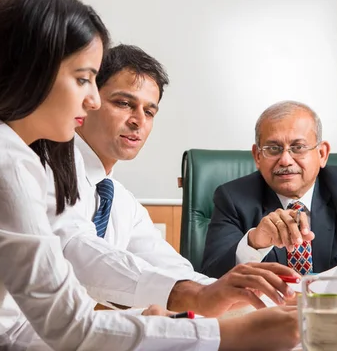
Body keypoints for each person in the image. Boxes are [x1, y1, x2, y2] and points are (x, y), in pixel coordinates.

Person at [0, 0, 300, 351]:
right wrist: (226, 336)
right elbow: (70, 307)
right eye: (84, 80)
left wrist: (199, 310)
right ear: (34, 71)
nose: (90, 102)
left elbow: (17, 327)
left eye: (150, 110)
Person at [47, 44, 299, 317]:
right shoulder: (44, 169)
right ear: (89, 102)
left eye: (150, 111)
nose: (138, 121)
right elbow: (77, 253)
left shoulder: (119, 201)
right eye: (124, 103)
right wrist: (193, 296)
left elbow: (173, 270)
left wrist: (249, 299)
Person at [201, 100, 337, 279]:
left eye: (298, 148)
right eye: (273, 149)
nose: (285, 160)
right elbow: (211, 276)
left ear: (322, 154)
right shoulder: (232, 198)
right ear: (258, 156)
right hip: (266, 310)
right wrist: (254, 243)